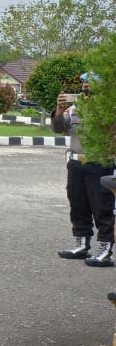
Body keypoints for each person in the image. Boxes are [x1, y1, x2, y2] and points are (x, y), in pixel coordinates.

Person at [52, 75, 114, 267]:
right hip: (76, 164)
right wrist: (59, 110)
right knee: (77, 204)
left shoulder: (109, 108)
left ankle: (105, 249)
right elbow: (58, 128)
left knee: (101, 207)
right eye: (84, 85)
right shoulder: (74, 108)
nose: (85, 88)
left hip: (99, 163)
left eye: (89, 86)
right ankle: (81, 243)